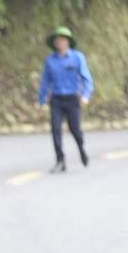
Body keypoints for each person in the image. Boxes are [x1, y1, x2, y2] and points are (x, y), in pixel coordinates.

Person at [37, 27, 94, 173]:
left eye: (62, 39)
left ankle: (81, 149)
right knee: (55, 130)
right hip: (56, 100)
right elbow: (45, 82)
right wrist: (41, 101)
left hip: (72, 100)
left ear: (68, 41)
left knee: (75, 129)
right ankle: (60, 161)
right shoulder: (50, 60)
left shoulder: (78, 57)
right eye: (56, 39)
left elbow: (87, 79)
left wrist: (85, 96)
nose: (59, 41)